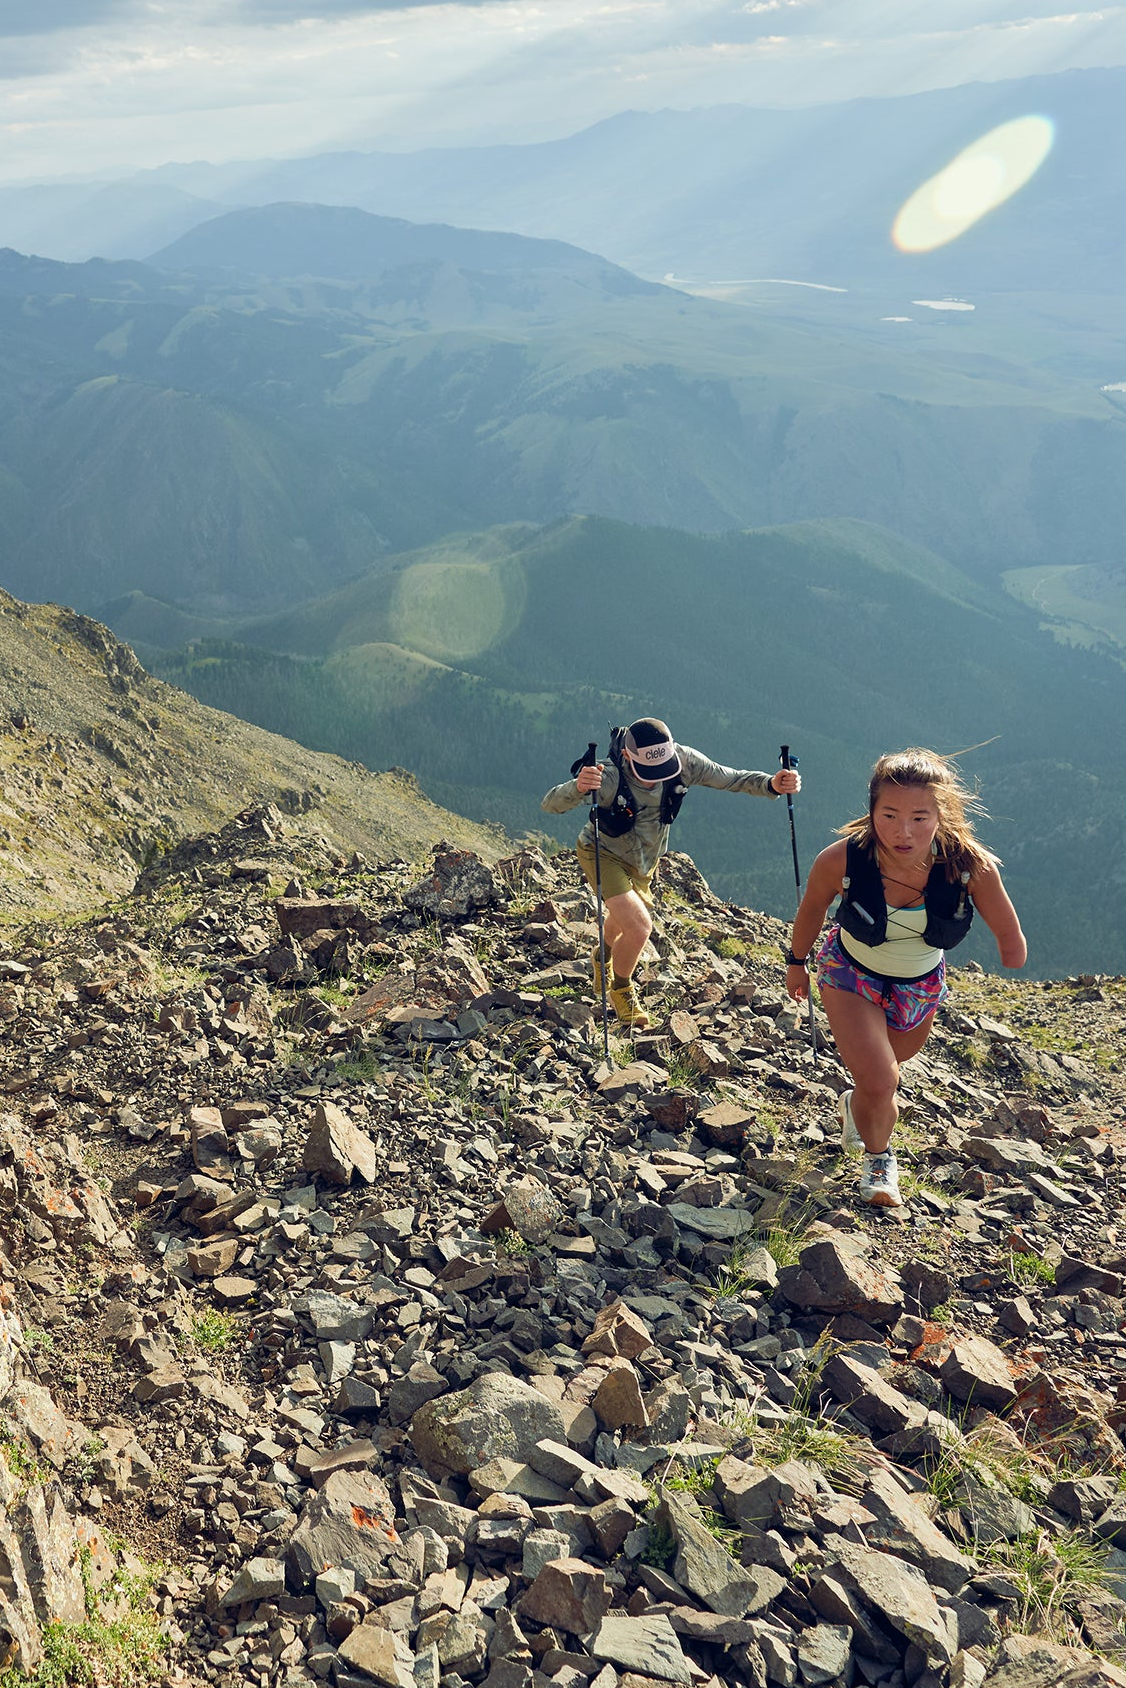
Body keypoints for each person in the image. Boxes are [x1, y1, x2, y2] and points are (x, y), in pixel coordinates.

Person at [785, 748, 1026, 1208]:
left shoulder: (966, 865)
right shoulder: (842, 861)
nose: (903, 831)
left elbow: (1007, 927)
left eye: (919, 817)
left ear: (941, 815)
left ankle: (858, 1107)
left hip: (918, 986)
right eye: (889, 815)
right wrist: (797, 962)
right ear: (871, 810)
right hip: (850, 974)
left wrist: (1012, 949)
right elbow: (813, 909)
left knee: (885, 1071)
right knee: (881, 1080)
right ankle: (878, 1162)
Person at [542, 717, 800, 1029]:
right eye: (648, 772)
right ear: (627, 757)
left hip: (644, 861)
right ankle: (621, 990)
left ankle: (602, 956)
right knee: (638, 927)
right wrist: (578, 787)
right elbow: (550, 804)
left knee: (625, 917)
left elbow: (729, 778)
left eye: (663, 769)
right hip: (602, 853)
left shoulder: (683, 762)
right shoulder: (607, 778)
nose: (656, 779)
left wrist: (771, 784)